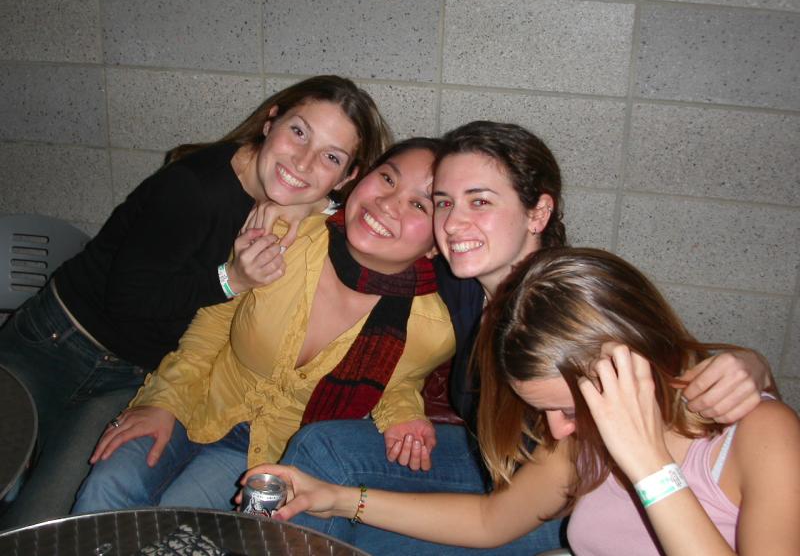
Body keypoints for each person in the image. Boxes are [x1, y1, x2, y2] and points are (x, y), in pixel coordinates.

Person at [270, 121, 775, 555]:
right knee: (325, 452)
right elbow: (372, 241)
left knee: (354, 525)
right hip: (502, 466)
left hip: (569, 495)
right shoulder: (460, 278)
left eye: (480, 201)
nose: (453, 223)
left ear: (538, 213)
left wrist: (749, 365)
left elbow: (664, 364)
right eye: (443, 202)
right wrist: (300, 212)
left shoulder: (569, 301)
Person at [0, 75, 391, 526]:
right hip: (59, 342)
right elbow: (129, 302)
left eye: (330, 157)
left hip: (132, 376)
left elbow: (367, 224)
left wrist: (311, 205)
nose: (302, 162)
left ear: (347, 176)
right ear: (271, 122)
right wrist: (231, 279)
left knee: (44, 522)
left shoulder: (306, 211)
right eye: (298, 132)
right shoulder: (195, 188)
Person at [250, 247, 800, 555]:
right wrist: (336, 499)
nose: (557, 430)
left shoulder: (762, 435)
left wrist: (650, 466)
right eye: (547, 410)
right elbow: (491, 521)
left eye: (568, 408)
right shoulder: (584, 434)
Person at [71, 137, 456, 513]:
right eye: (388, 178)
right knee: (106, 489)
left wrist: (403, 416)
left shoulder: (432, 329)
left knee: (176, 520)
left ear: (436, 243)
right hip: (197, 399)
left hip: (271, 453)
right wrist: (162, 402)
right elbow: (212, 325)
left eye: (419, 204)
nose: (387, 203)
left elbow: (397, 378)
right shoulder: (285, 235)